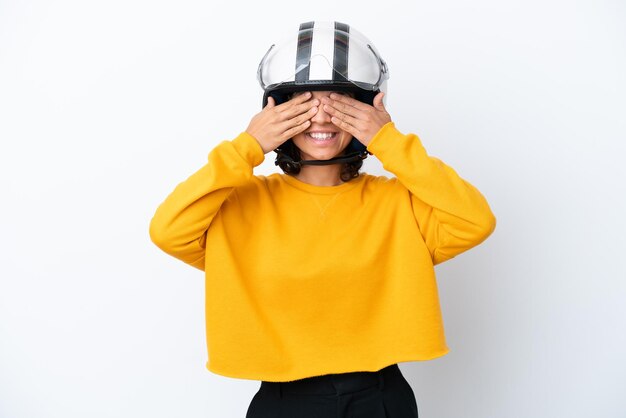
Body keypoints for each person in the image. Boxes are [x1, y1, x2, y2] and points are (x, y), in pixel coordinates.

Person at [149, 21, 496, 418]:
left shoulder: (397, 202)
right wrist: (247, 146)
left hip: (380, 397)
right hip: (283, 402)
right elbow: (168, 230)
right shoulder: (241, 205)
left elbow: (475, 220)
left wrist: (389, 141)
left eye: (339, 105)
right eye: (304, 105)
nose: (322, 118)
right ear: (277, 114)